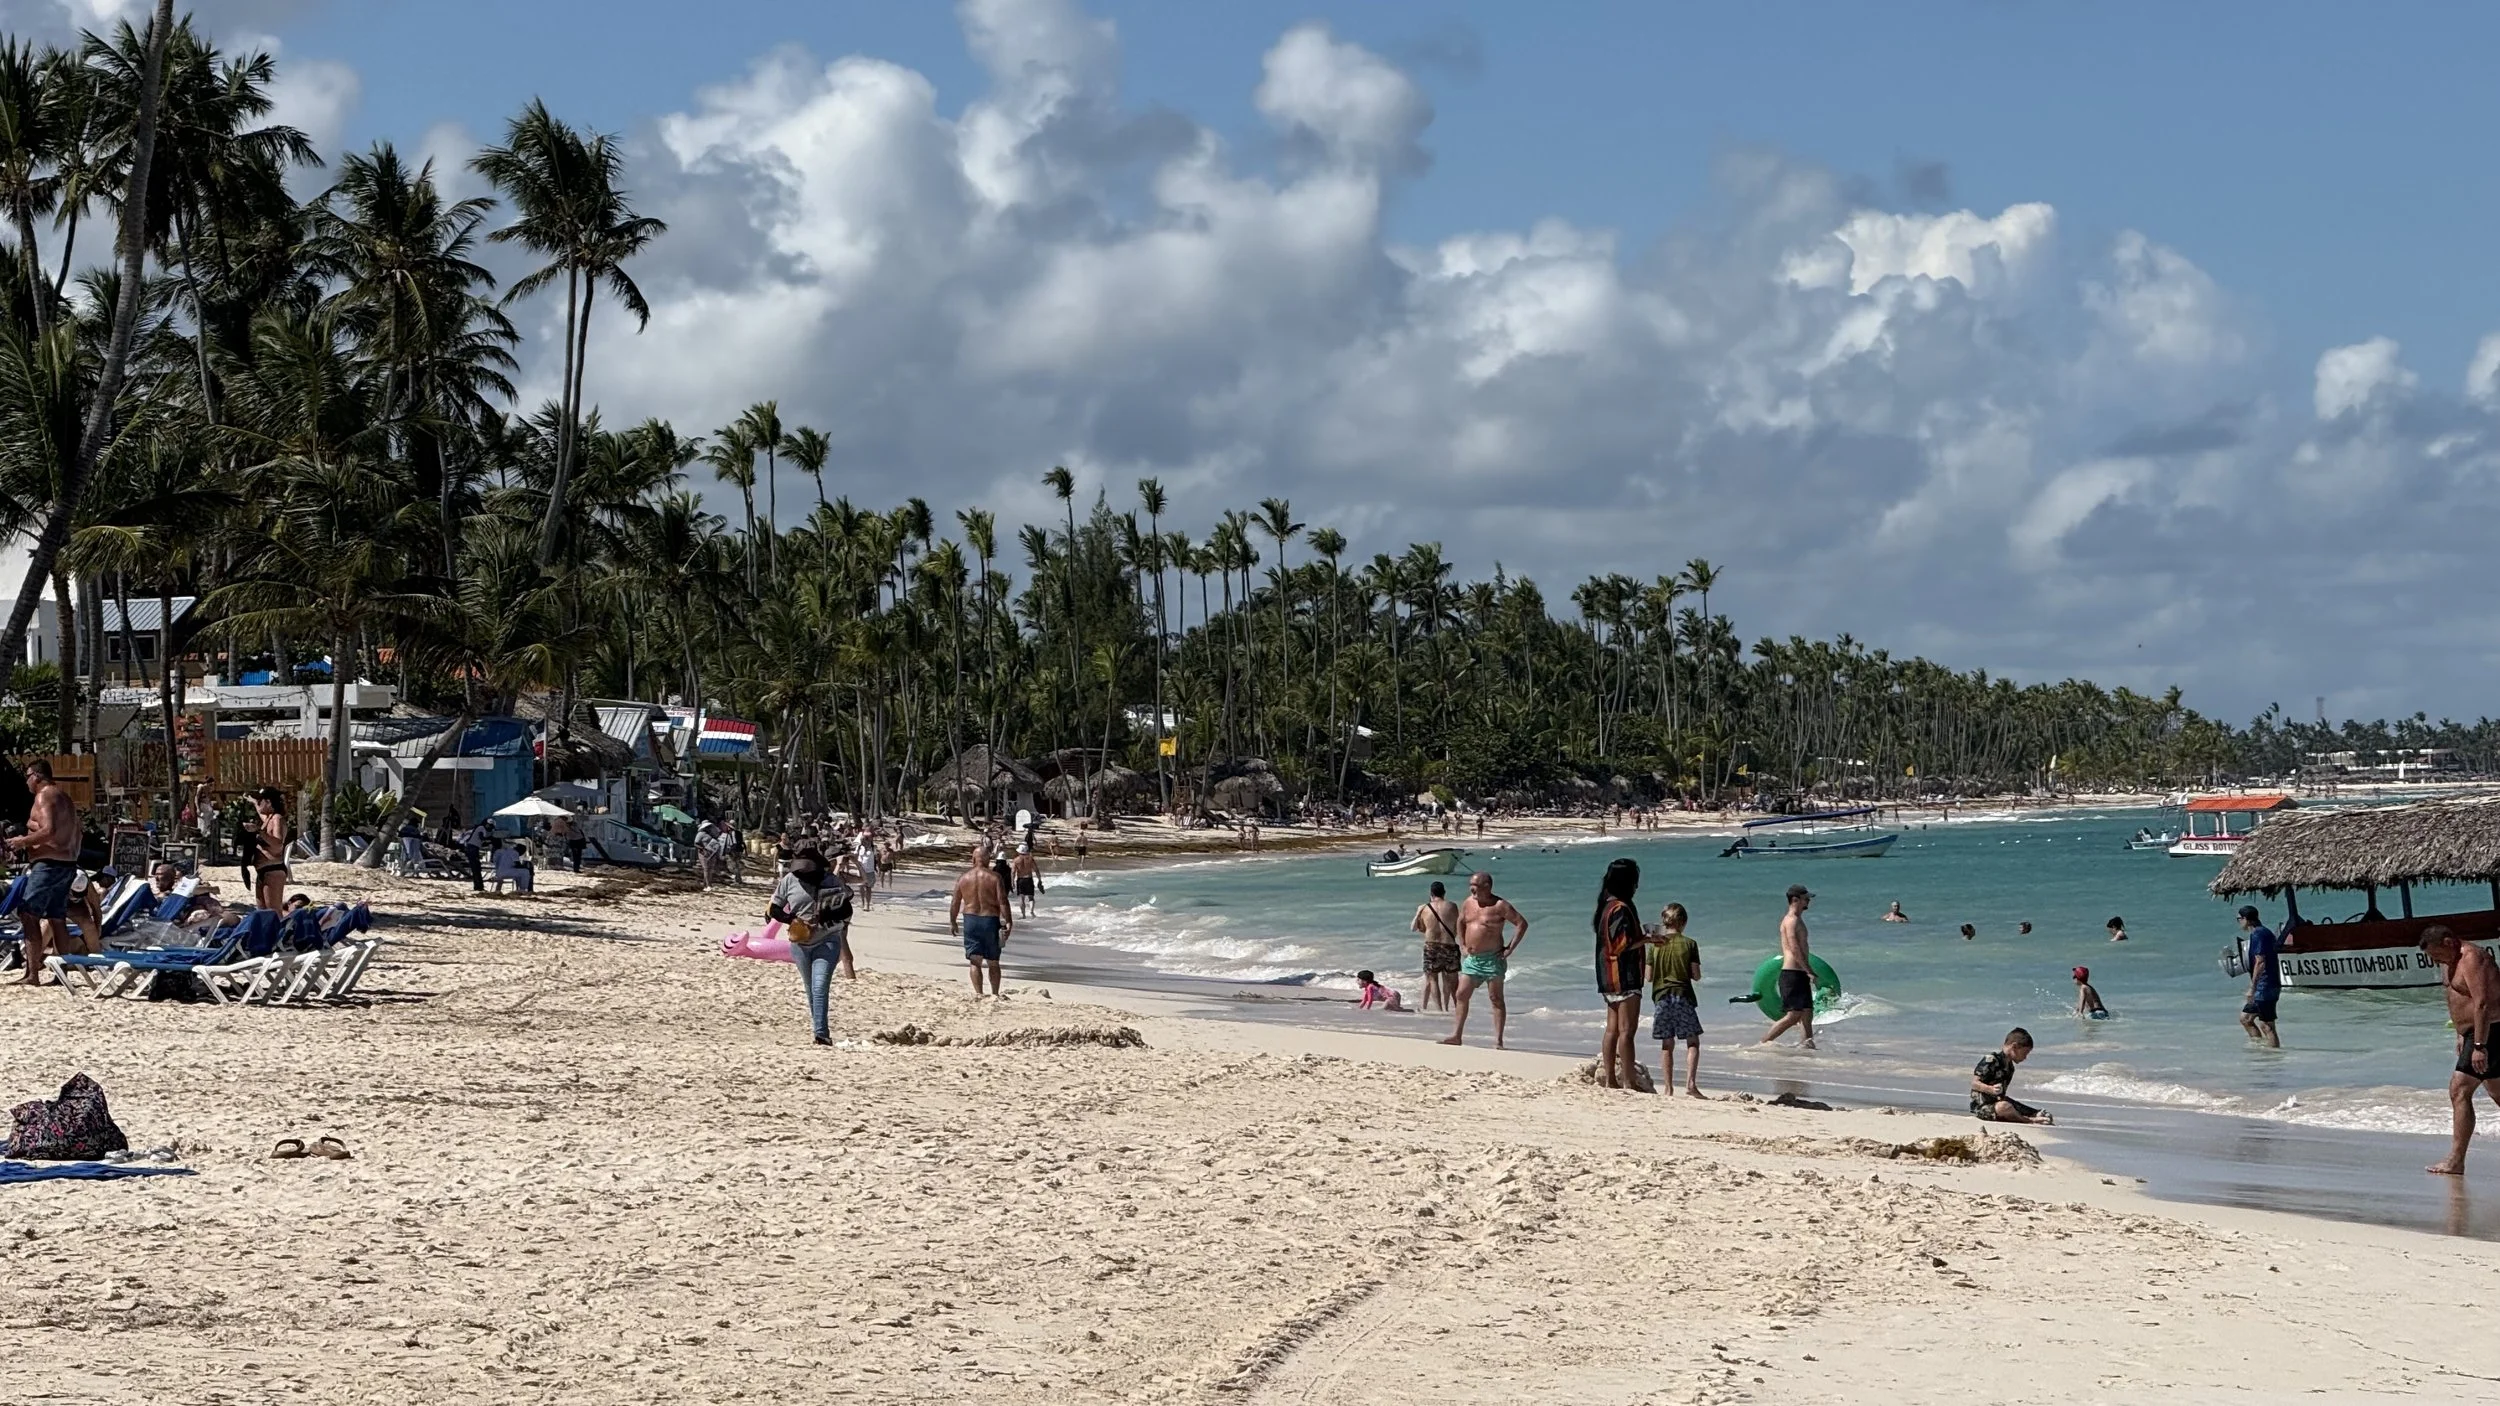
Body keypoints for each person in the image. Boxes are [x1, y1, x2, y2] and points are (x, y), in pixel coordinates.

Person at [2420, 926, 2500, 1175]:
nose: (2435, 961)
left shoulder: (2473, 958)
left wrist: (2479, 1045)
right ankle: (2456, 1161)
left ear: (2449, 942)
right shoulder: (2448, 960)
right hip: (2471, 1034)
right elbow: (2454, 997)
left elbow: (2483, 1003)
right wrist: (2459, 1032)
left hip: (2492, 1030)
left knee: (2459, 1089)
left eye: (2437, 954)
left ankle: (2456, 1161)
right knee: (2498, 1092)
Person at [770, 846, 855, 1045]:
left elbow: (846, 909)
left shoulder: (831, 881)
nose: (801, 872)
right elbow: (774, 909)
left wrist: (824, 916)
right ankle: (818, 1028)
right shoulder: (789, 880)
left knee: (820, 986)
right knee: (810, 989)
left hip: (827, 940)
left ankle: (822, 1034)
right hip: (799, 943)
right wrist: (792, 919)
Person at [1438, 870, 1528, 1049]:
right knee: (1461, 994)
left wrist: (1509, 948)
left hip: (1492, 959)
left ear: (1487, 887)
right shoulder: (1468, 902)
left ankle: (1498, 1041)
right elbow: (1461, 921)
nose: (1472, 891)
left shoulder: (1500, 905)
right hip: (1472, 959)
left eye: (1475, 888)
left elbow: (1521, 923)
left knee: (1495, 998)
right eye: (1470, 887)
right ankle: (1457, 1035)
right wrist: (1462, 944)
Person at [6, 760, 78, 982]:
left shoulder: (44, 795)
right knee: (57, 918)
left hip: (48, 865)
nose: (26, 781)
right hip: (67, 864)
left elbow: (49, 830)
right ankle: (61, 973)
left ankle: (32, 973)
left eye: (27, 776)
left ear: (36, 776)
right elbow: (73, 833)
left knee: (28, 914)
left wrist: (22, 842)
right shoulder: (65, 798)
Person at [1591, 858, 1646, 1089]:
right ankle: (1629, 1081)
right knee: (1627, 1032)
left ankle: (1611, 1080)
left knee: (1612, 1029)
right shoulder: (1621, 908)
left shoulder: (1605, 905)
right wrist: (1648, 939)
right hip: (1624, 975)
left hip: (1607, 975)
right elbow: (1622, 944)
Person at [1647, 901, 1704, 1096]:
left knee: (1667, 1044)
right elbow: (1696, 975)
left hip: (1661, 997)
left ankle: (1668, 1088)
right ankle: (1690, 1084)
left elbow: (1648, 976)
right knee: (1692, 1041)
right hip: (1682, 996)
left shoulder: (1655, 946)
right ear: (1683, 922)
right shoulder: (1690, 944)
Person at [948, 842, 1013, 996]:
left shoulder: (963, 878)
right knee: (993, 961)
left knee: (975, 960)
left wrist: (953, 921)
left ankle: (979, 993)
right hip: (990, 920)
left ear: (973, 859)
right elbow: (1002, 901)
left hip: (971, 920)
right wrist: (1009, 921)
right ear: (988, 860)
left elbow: (955, 902)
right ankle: (995, 993)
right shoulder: (995, 877)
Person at [1759, 885, 1817, 1050]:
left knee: (1807, 1013)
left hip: (1799, 973)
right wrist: (1809, 970)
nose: (1809, 902)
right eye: (1806, 899)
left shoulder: (1797, 919)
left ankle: (1808, 1047)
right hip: (1792, 974)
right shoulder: (1791, 920)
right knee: (1793, 1015)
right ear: (1795, 900)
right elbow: (1794, 948)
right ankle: (1762, 1044)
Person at [1970, 1028, 2052, 1124]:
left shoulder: (2009, 1067)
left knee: (2012, 1105)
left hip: (1998, 1101)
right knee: (2004, 1107)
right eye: (2025, 1053)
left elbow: (2002, 1096)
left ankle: (2035, 1115)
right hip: (1982, 1107)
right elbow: (1974, 1083)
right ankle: (2029, 1120)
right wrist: (1990, 1089)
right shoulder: (1991, 1060)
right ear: (2014, 1047)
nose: (2025, 1057)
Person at [1411, 880, 1462, 1013]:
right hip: (1449, 944)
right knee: (1453, 980)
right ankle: (1458, 1008)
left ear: (1431, 893)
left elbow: (1414, 928)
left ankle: (1439, 1010)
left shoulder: (1424, 908)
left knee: (1433, 979)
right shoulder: (1452, 906)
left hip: (1431, 945)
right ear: (1444, 893)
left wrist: (1418, 912)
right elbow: (1459, 927)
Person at [2237, 905, 2281, 1048]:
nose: (2239, 922)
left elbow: (2260, 962)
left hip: (2265, 986)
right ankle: (2261, 1050)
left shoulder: (2259, 934)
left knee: (2267, 1026)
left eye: (2239, 919)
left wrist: (2252, 987)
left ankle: (2273, 1058)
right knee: (2246, 1019)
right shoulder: (2261, 933)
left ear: (2246, 919)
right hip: (2267, 985)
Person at [250, 788, 292, 912]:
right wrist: (253, 802)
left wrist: (259, 831)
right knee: (262, 912)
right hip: (263, 870)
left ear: (268, 802)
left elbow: (278, 844)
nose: (259, 804)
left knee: (273, 913)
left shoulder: (277, 818)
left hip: (273, 870)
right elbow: (261, 813)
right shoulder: (269, 818)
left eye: (260, 801)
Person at [1011, 845, 1040, 918]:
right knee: (1031, 897)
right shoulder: (1030, 859)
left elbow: (1013, 872)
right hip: (1029, 879)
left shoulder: (1016, 860)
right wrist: (1039, 879)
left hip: (1021, 879)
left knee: (1022, 898)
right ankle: (1031, 911)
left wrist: (1012, 882)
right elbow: (1036, 870)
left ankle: (1023, 915)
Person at [852, 831, 878, 912]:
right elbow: (854, 857)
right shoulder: (859, 847)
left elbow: (877, 858)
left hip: (870, 870)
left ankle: (867, 904)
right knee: (861, 887)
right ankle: (863, 902)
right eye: (863, 839)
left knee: (868, 888)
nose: (864, 840)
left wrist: (877, 868)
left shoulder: (874, 848)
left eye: (866, 839)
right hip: (860, 870)